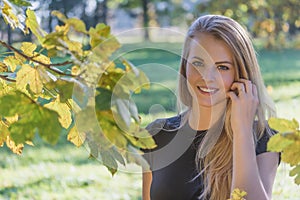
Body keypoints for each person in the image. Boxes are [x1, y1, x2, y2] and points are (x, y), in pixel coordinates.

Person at [142, 15, 280, 200]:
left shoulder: (263, 138)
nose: (207, 77)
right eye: (198, 63)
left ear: (242, 75)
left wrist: (242, 131)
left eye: (222, 67)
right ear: (184, 67)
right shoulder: (157, 135)